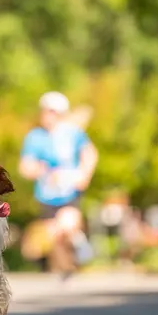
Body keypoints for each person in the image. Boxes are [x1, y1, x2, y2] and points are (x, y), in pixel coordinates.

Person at [19, 91, 98, 271]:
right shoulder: (35, 137)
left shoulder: (73, 134)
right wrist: (40, 170)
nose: (47, 115)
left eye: (52, 111)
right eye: (45, 111)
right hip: (47, 195)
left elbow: (90, 154)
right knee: (53, 237)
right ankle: (68, 269)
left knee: (67, 224)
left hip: (69, 192)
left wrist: (84, 175)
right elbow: (25, 166)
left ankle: (79, 245)